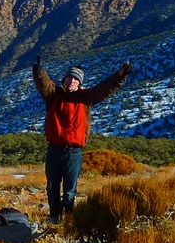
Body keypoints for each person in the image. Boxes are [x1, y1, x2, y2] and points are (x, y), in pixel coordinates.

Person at [34, 55, 133, 224]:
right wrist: (38, 70)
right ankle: (54, 217)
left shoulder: (86, 97)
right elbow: (44, 84)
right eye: (70, 77)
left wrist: (121, 75)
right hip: (54, 149)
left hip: (74, 152)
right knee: (52, 187)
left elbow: (105, 88)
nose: (72, 81)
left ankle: (69, 219)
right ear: (64, 79)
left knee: (70, 190)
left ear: (79, 82)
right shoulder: (54, 95)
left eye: (76, 79)